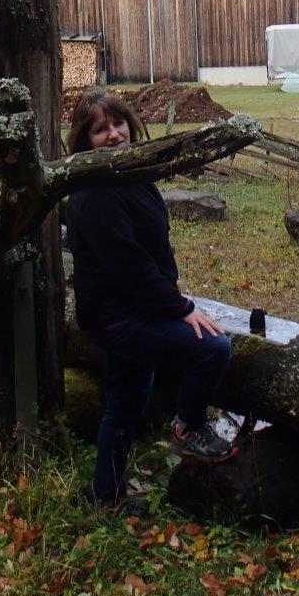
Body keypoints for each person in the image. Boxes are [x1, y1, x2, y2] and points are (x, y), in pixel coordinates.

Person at [64, 87, 233, 513]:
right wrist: (181, 308)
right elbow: (130, 267)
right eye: (100, 130)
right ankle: (189, 426)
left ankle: (107, 497)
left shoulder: (130, 175)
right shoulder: (96, 194)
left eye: (118, 123)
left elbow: (151, 251)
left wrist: (171, 294)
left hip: (134, 307)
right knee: (213, 348)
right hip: (118, 318)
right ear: (84, 140)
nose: (114, 134)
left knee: (125, 402)